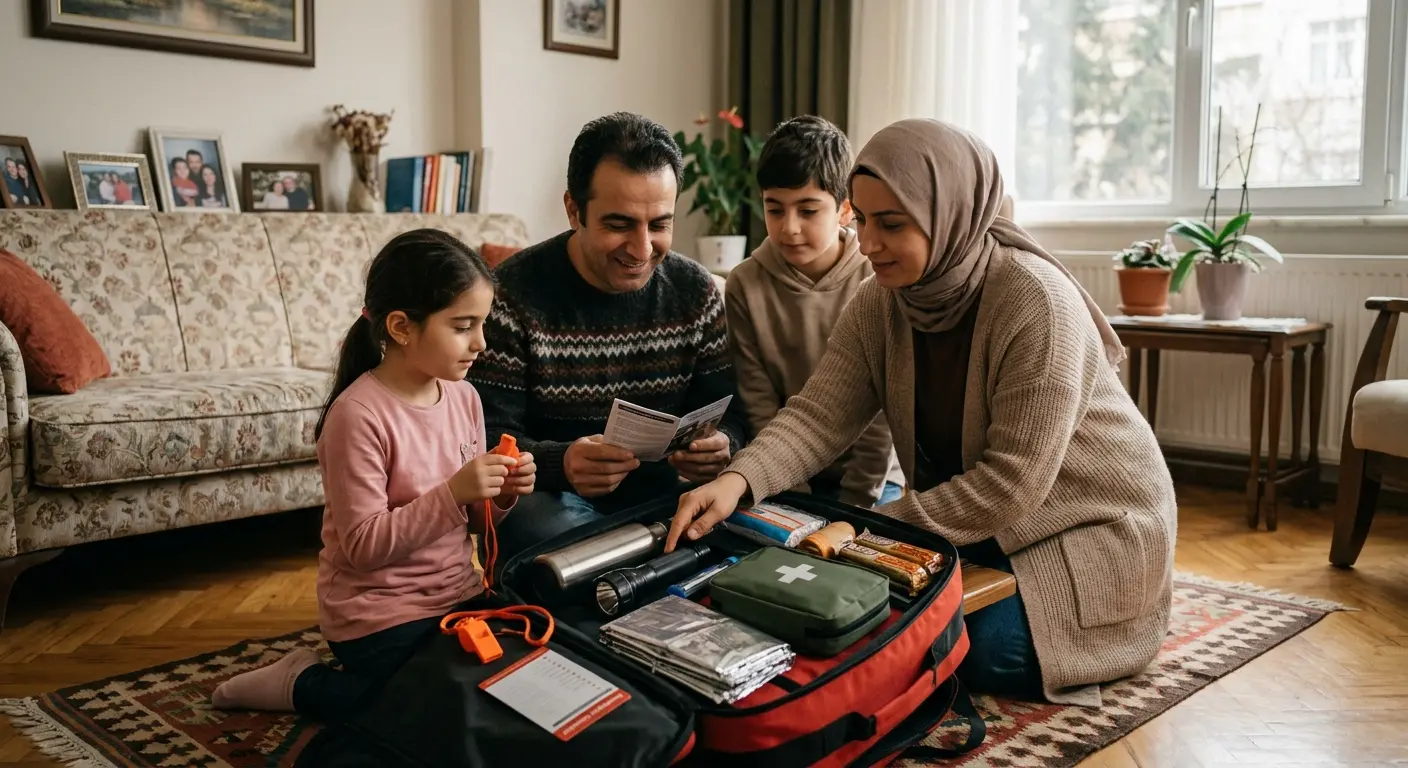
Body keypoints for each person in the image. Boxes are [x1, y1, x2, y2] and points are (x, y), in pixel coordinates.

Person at [665, 118, 1176, 707]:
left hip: (1089, 532)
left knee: (973, 645)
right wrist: (736, 481)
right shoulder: (881, 300)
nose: (867, 243)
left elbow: (1010, 484)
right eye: (864, 219)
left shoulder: (1036, 302)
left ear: (951, 215)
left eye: (892, 224)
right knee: (870, 616)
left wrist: (865, 531)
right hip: (984, 528)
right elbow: (817, 417)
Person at [210, 229, 537, 719]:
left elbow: (472, 522)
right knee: (440, 712)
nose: (481, 343)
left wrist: (501, 493)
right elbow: (363, 547)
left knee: (526, 680)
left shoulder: (465, 397)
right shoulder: (357, 415)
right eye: (462, 326)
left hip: (458, 597)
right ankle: (300, 683)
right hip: (378, 616)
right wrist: (453, 492)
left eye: (482, 324)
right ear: (401, 327)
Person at [468, 111, 750, 561]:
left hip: (665, 498)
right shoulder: (509, 296)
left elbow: (732, 413)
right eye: (619, 225)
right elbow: (481, 438)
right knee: (535, 527)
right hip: (551, 501)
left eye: (659, 224)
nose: (642, 249)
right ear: (573, 210)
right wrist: (560, 463)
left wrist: (722, 446)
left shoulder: (696, 291)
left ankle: (637, 566)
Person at [724, 115, 904, 509]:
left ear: (845, 210)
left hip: (873, 480)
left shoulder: (878, 276)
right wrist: (793, 501)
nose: (789, 228)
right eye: (775, 209)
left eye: (808, 211)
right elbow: (759, 405)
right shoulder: (744, 285)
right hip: (781, 473)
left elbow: (882, 416)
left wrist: (855, 505)